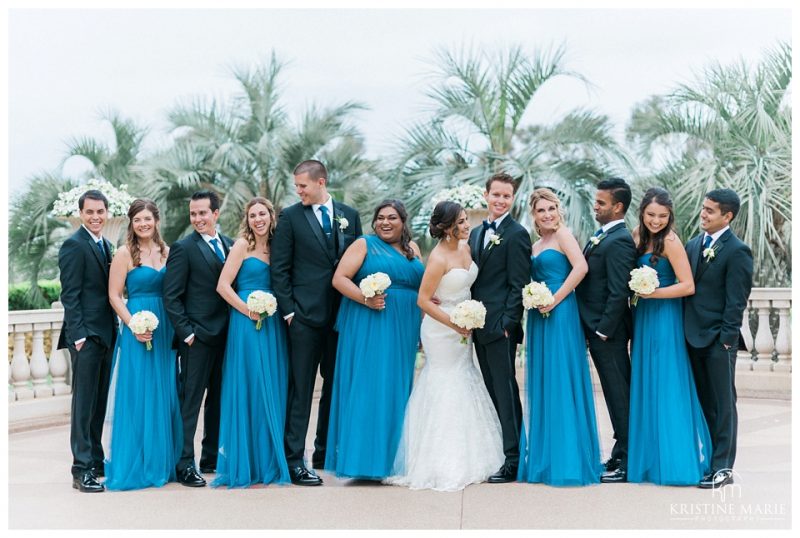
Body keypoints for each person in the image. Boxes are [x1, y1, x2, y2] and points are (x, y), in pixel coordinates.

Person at [385, 201, 504, 492]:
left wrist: (469, 316)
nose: (467, 226)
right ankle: (439, 460)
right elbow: (423, 300)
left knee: (465, 376)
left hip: (464, 324)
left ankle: (475, 451)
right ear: (449, 227)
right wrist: (454, 323)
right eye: (462, 222)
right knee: (444, 381)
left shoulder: (466, 248)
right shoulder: (438, 257)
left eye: (466, 220)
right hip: (442, 329)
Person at [271, 160, 363, 486]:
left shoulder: (350, 216)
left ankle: (325, 451)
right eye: (296, 187)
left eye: (303, 186)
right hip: (304, 319)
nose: (299, 191)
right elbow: (279, 270)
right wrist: (290, 312)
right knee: (301, 389)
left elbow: (360, 262)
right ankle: (294, 459)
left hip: (342, 317)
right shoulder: (290, 217)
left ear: (321, 181)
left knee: (335, 386)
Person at [325, 200, 424, 479]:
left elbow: (421, 286)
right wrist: (365, 299)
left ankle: (393, 460)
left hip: (404, 326)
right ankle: (365, 463)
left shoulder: (412, 249)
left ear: (403, 221)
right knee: (371, 386)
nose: (385, 222)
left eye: (392, 217)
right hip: (372, 323)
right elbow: (340, 278)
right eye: (380, 217)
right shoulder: (364, 244)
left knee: (396, 387)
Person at [626, 188, 712, 485]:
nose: (656, 221)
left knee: (666, 382)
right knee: (646, 381)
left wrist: (653, 293)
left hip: (664, 317)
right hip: (644, 318)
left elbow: (688, 285)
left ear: (670, 216)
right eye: (651, 215)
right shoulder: (637, 234)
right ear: (642, 212)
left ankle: (674, 461)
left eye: (662, 216)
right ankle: (649, 458)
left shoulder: (672, 242)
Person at [518, 188, 602, 486]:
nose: (548, 214)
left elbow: (581, 267)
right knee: (545, 380)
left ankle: (569, 459)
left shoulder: (564, 236)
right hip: (539, 316)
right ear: (535, 216)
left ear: (559, 210)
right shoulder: (536, 243)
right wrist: (533, 297)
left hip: (562, 310)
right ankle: (546, 459)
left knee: (563, 378)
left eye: (552, 208)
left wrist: (554, 299)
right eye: (542, 211)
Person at [104, 199, 182, 490]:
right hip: (137, 327)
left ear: (156, 221)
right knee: (139, 392)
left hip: (165, 329)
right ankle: (137, 462)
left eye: (147, 219)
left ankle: (163, 461)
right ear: (131, 223)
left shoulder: (168, 252)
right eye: (138, 220)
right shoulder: (124, 253)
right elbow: (114, 295)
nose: (143, 224)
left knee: (164, 391)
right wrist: (133, 325)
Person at [212, 197, 290, 488]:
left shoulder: (277, 247)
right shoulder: (242, 246)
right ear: (248, 219)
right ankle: (247, 461)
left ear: (271, 216)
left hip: (273, 324)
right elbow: (222, 286)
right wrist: (248, 310)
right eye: (253, 215)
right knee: (251, 384)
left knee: (272, 386)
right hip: (247, 323)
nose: (258, 219)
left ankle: (270, 457)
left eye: (263, 214)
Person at [163, 190, 233, 487]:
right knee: (189, 403)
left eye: (203, 213)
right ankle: (184, 463)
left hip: (227, 337)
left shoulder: (231, 245)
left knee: (218, 401)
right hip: (197, 339)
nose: (197, 219)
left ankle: (210, 458)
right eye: (193, 214)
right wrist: (187, 333)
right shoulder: (183, 248)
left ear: (216, 213)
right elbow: (171, 295)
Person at [684, 188, 753, 489]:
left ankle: (723, 468)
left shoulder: (737, 250)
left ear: (728, 216)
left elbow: (737, 300)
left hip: (718, 341)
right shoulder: (692, 244)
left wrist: (726, 341)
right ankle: (710, 461)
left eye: (711, 210)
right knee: (705, 403)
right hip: (690, 337)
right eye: (704, 208)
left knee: (724, 405)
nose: (704, 214)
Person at [467, 173, 531, 483]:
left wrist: (508, 324)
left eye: (507, 196)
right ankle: (504, 450)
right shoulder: (476, 233)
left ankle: (514, 458)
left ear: (513, 198)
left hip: (499, 327)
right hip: (477, 324)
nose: (501, 200)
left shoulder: (517, 234)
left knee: (505, 391)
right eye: (496, 195)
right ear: (486, 194)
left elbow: (518, 283)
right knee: (493, 389)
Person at [575, 177, 637, 483]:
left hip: (607, 335)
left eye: (601, 202)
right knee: (614, 394)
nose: (595, 206)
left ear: (618, 207)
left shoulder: (621, 240)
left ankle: (628, 458)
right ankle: (620, 449)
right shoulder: (602, 236)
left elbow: (618, 291)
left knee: (619, 394)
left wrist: (602, 331)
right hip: (594, 328)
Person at [57, 189, 118, 493]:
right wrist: (78, 336)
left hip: (107, 334)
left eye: (100, 212)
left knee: (99, 401)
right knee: (83, 404)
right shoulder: (73, 245)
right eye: (90, 212)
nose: (95, 217)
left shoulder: (106, 245)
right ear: (81, 214)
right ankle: (81, 470)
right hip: (86, 337)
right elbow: (69, 295)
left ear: (107, 213)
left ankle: (95, 458)